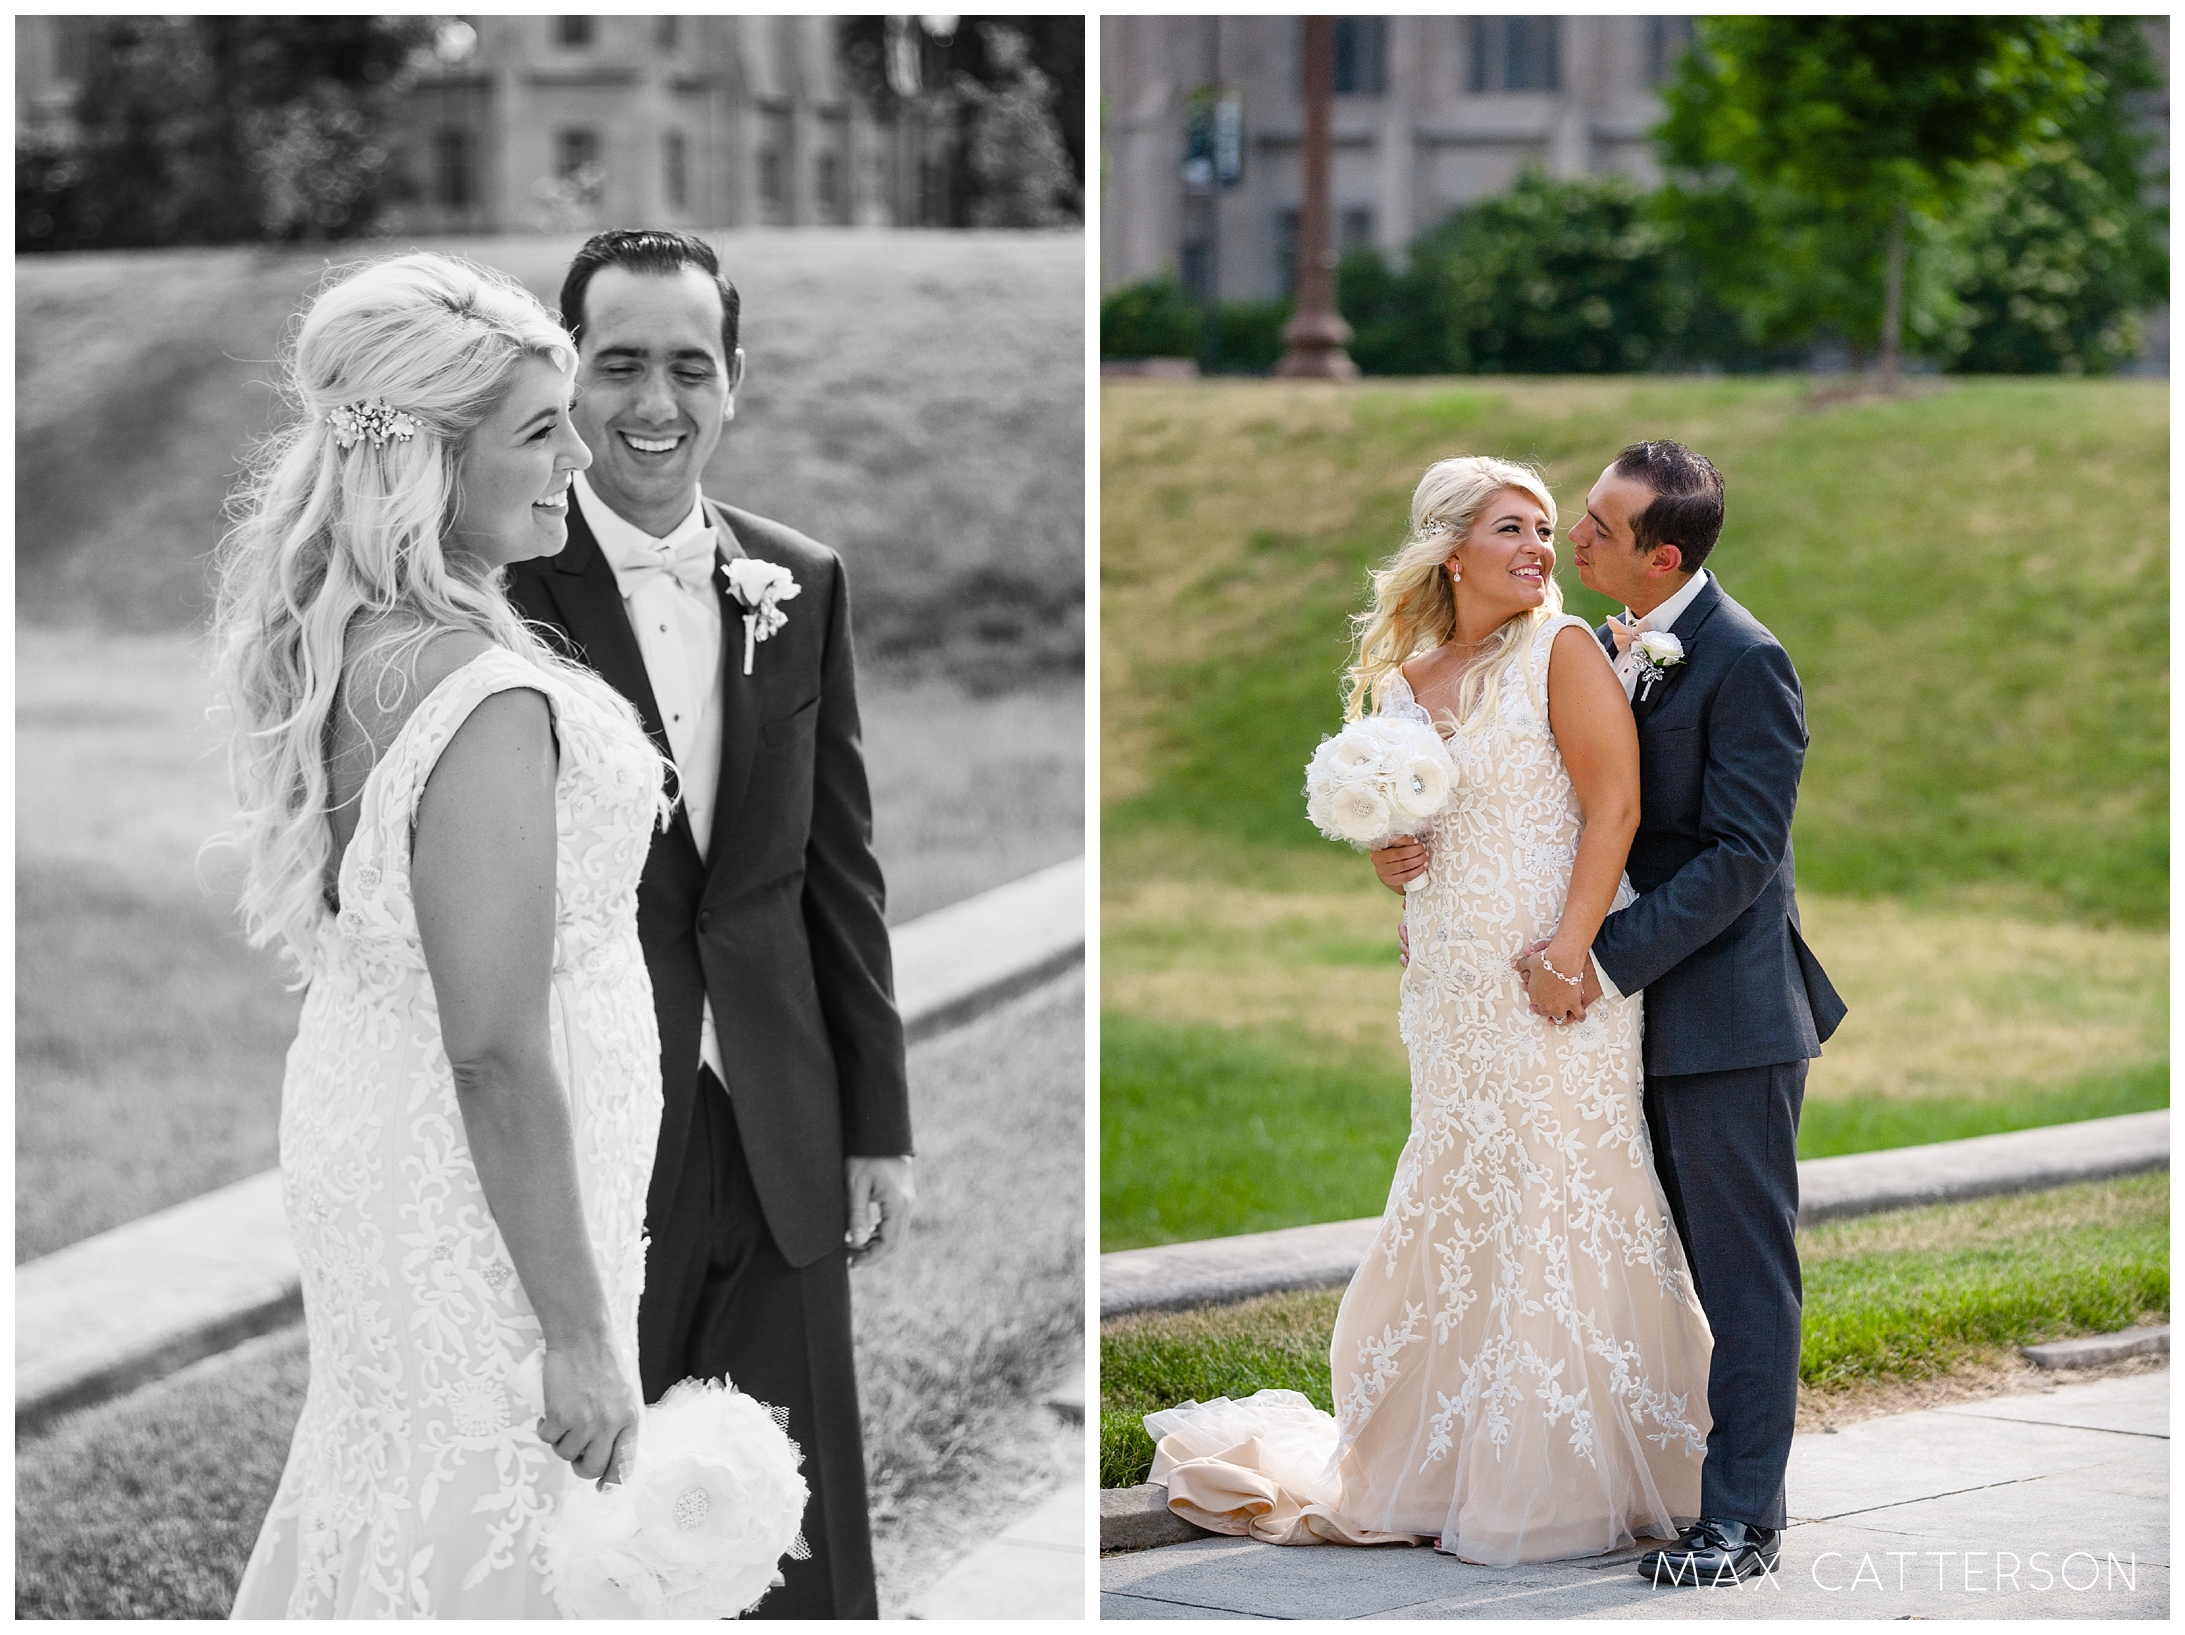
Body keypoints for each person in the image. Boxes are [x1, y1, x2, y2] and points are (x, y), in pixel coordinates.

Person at [1148, 457, 1714, 1566]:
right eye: (1514, 529)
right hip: (1447, 992)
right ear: (1451, 551)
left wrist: (1572, 951)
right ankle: (1441, 1460)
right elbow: (1422, 848)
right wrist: (1392, 859)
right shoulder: (1404, 685)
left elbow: (1616, 808)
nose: (1541, 549)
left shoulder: (1561, 654)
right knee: (1461, 1196)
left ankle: (1566, 1472)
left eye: (1547, 530)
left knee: (1563, 1190)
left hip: (1556, 986)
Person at [215, 253, 672, 1616]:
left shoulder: (360, 643)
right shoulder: (481, 698)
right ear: (424, 460)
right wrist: (580, 1330)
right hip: (478, 1182)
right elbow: (491, 1043)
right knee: (501, 1501)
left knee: (404, 1477)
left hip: (385, 1134)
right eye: (539, 430)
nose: (578, 456)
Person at [504, 229, 913, 1621]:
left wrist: (877, 1118)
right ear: (564, 377)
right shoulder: (496, 592)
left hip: (781, 1113)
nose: (653, 402)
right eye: (617, 364)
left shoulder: (800, 579)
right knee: (592, 1505)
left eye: (689, 365)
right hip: (595, 1118)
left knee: (791, 1519)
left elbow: (835, 869)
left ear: (734, 379)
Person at [1553, 440, 1846, 1584]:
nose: (1576, 538)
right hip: (1637, 1018)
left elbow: (1739, 857)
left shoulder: (1744, 659)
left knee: (1742, 1277)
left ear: (1659, 554)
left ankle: (1741, 1523)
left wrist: (1598, 955)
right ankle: (1689, 1489)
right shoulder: (1608, 644)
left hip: (1727, 1023)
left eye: (1597, 526)